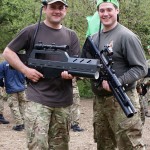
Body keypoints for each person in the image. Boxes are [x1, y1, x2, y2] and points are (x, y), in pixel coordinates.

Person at [3, 0, 80, 149]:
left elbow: (75, 65)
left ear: (66, 10)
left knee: (60, 146)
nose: (57, 11)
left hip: (64, 100)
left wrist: (72, 74)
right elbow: (8, 52)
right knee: (37, 145)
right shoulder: (31, 31)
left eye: (60, 7)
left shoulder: (71, 35)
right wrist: (26, 70)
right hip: (37, 98)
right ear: (44, 9)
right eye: (53, 7)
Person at [81, 0, 148, 149]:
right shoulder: (94, 38)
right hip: (100, 101)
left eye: (109, 10)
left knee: (129, 144)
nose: (105, 14)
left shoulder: (127, 36)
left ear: (117, 11)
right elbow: (88, 64)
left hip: (122, 99)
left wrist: (118, 80)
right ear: (98, 13)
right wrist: (75, 72)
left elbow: (141, 68)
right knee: (104, 144)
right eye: (102, 10)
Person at [0, 61, 26, 131]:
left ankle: (19, 124)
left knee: (14, 106)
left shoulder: (3, 64)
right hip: (21, 88)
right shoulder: (21, 62)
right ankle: (25, 122)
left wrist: (2, 85)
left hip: (11, 89)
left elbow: (0, 78)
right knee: (22, 104)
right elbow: (25, 75)